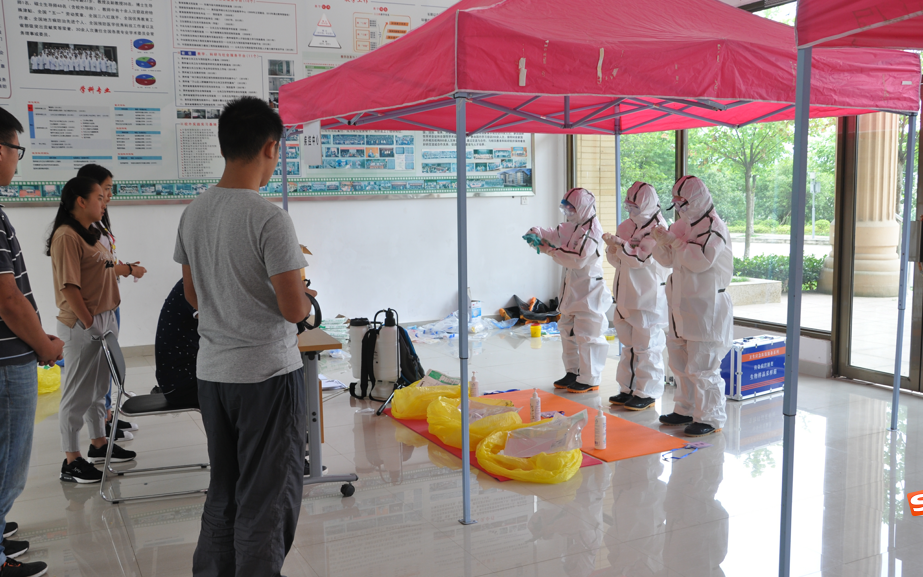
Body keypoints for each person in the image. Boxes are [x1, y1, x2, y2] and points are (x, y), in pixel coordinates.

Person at [174, 96, 315, 577]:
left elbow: (192, 295)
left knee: (225, 490)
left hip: (214, 375)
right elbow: (293, 309)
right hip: (266, 376)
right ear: (270, 148)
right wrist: (304, 296)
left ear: (224, 145)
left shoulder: (194, 211)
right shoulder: (270, 218)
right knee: (267, 498)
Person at [46, 177, 137, 484]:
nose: (104, 201)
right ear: (80, 201)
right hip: (82, 324)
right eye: (99, 196)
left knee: (98, 389)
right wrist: (88, 322)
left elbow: (105, 270)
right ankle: (71, 460)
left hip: (104, 318)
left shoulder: (93, 232)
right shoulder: (66, 236)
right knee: (77, 393)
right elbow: (69, 286)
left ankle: (99, 443)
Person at [0, 108, 58, 577]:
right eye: (17, 150)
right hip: (7, 362)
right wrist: (42, 344)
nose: (18, 162)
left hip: (11, 354)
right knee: (8, 463)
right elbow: (7, 299)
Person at [652, 175, 733, 437]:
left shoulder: (714, 227)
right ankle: (685, 408)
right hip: (681, 303)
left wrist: (674, 242)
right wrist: (660, 242)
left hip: (706, 304)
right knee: (680, 361)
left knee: (703, 365)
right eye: (676, 204)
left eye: (683, 203)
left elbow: (700, 261)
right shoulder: (682, 225)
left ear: (697, 200)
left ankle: (710, 417)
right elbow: (668, 260)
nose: (679, 209)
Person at [76, 163, 147, 438]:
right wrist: (127, 270)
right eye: (105, 189)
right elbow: (98, 267)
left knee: (106, 367)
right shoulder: (82, 227)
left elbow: (105, 262)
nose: (109, 195)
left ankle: (107, 417)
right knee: (100, 369)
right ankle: (102, 426)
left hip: (109, 300)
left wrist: (124, 267)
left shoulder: (98, 221)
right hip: (98, 304)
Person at [528, 187, 610, 393]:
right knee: (568, 331)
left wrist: (549, 250)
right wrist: (537, 232)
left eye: (571, 208)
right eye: (565, 208)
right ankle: (573, 372)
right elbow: (554, 234)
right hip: (572, 289)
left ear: (582, 208)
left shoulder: (592, 230)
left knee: (588, 335)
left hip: (589, 290)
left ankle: (589, 378)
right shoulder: (573, 226)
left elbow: (577, 259)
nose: (568, 212)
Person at [603, 182, 669, 411]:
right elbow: (617, 261)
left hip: (647, 296)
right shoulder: (626, 226)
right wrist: (613, 248)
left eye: (635, 206)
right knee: (628, 346)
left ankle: (647, 392)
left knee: (647, 347)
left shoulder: (658, 229)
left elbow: (640, 259)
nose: (631, 211)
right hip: (625, 294)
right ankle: (627, 388)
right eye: (629, 206)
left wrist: (620, 245)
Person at [154, 279, 199, 408]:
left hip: (176, 380)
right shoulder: (195, 285)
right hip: (181, 386)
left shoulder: (192, 281)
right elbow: (221, 328)